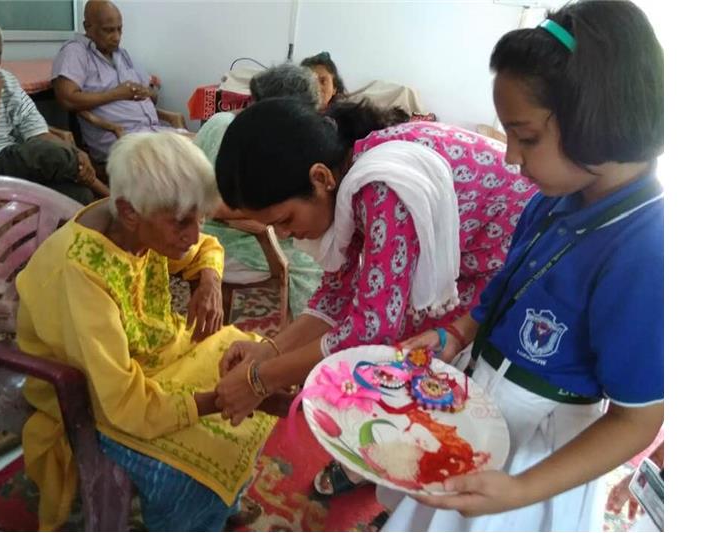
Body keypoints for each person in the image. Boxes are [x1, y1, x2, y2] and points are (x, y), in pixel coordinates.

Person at [377, 1, 664, 530]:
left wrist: (520, 490)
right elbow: (505, 285)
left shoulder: (648, 250)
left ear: (596, 119)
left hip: (538, 458)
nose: (511, 157)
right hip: (484, 401)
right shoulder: (555, 195)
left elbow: (638, 420)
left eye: (526, 137)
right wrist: (457, 335)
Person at [210, 96, 534, 429]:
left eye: (286, 219)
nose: (287, 234)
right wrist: (270, 351)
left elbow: (372, 330)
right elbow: (336, 293)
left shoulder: (380, 186)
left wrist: (261, 379)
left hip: (519, 267)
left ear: (320, 179)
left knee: (412, 363)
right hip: (480, 258)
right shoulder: (351, 173)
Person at [16, 131, 283, 531]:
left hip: (154, 359)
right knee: (187, 477)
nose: (192, 234)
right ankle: (201, 510)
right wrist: (223, 400)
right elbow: (122, 403)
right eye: (182, 223)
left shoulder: (143, 225)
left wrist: (209, 281)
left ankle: (221, 508)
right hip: (91, 393)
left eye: (200, 219)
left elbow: (204, 248)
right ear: (128, 211)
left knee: (256, 358)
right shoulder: (81, 273)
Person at [194, 62, 326, 318]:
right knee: (315, 263)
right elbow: (209, 203)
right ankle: (307, 341)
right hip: (215, 238)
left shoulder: (235, 125)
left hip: (222, 230)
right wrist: (267, 219)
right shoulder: (236, 133)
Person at [0, 15, 105, 204]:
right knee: (48, 154)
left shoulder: (6, 79)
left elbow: (37, 132)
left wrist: (76, 155)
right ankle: (110, 197)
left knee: (79, 194)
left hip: (17, 164)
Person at [51, 0, 186, 163]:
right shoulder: (75, 52)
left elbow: (153, 98)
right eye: (108, 30)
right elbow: (67, 99)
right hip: (122, 137)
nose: (116, 37)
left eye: (119, 29)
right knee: (187, 160)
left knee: (213, 140)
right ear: (87, 27)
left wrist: (147, 92)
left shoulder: (122, 55)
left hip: (153, 131)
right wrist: (116, 94)